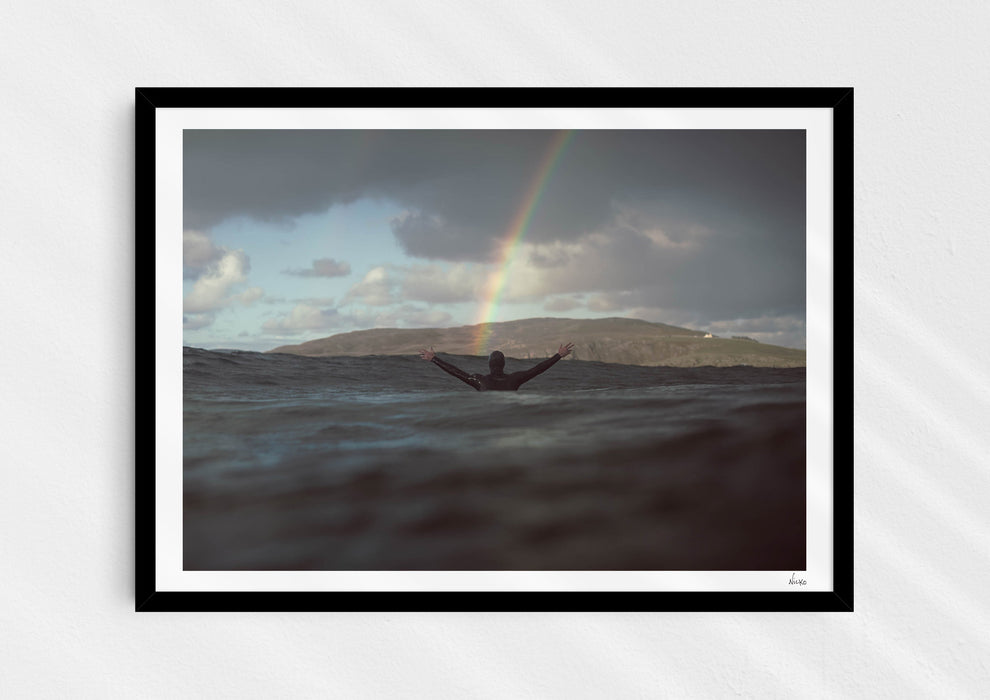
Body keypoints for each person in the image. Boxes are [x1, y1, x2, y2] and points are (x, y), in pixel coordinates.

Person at [419, 343, 574, 391]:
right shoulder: (515, 379)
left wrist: (434, 359)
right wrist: (558, 355)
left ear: (489, 364)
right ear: (504, 363)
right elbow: (538, 369)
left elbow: (456, 372)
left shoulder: (479, 380)